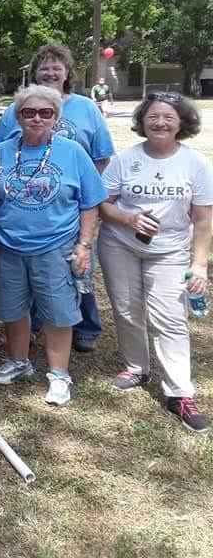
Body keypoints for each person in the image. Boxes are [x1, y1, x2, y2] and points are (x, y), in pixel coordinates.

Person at [98, 93, 212, 432]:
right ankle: (137, 368)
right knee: (126, 309)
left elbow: (204, 220)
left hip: (171, 250)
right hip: (120, 244)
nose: (160, 122)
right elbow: (104, 204)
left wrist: (200, 263)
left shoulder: (195, 164)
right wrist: (129, 219)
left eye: (168, 117)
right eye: (153, 117)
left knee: (170, 318)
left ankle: (179, 393)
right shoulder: (125, 159)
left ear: (182, 123)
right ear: (142, 122)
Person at [0, 43, 115, 352]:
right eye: (44, 67)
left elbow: (101, 155)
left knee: (76, 276)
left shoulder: (85, 108)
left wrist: (80, 187)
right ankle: (26, 339)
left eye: (56, 67)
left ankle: (85, 330)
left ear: (67, 72)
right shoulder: (13, 114)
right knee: (22, 286)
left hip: (65, 212)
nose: (50, 72)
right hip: (18, 224)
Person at [0, 86, 107, 407]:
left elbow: (90, 203)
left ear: (56, 117)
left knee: (58, 312)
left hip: (56, 246)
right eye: (29, 112)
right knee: (13, 309)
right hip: (10, 246)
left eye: (46, 112)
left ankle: (59, 375)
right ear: (18, 117)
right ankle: (19, 361)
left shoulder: (72, 152)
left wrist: (84, 244)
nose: (37, 118)